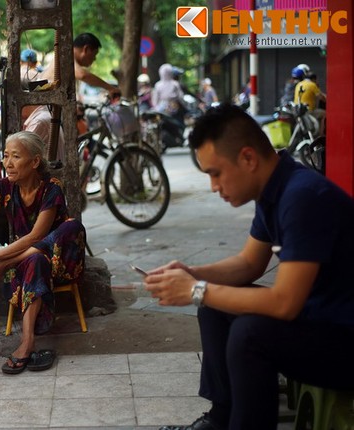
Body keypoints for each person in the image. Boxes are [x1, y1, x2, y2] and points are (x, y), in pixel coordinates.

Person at [144, 104, 354, 430]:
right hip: (320, 319)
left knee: (248, 333)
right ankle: (221, 418)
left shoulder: (303, 197)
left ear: (248, 158)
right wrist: (192, 274)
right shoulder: (276, 188)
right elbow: (248, 264)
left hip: (344, 340)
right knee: (214, 307)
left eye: (215, 173)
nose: (214, 187)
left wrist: (196, 290)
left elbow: (284, 303)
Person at [0, 131, 86, 374]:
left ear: (34, 162)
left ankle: (7, 264)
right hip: (29, 263)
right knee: (34, 259)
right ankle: (28, 341)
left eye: (16, 157)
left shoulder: (52, 188)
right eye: (5, 156)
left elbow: (36, 236)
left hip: (60, 258)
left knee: (70, 226)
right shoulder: (1, 188)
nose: (7, 163)